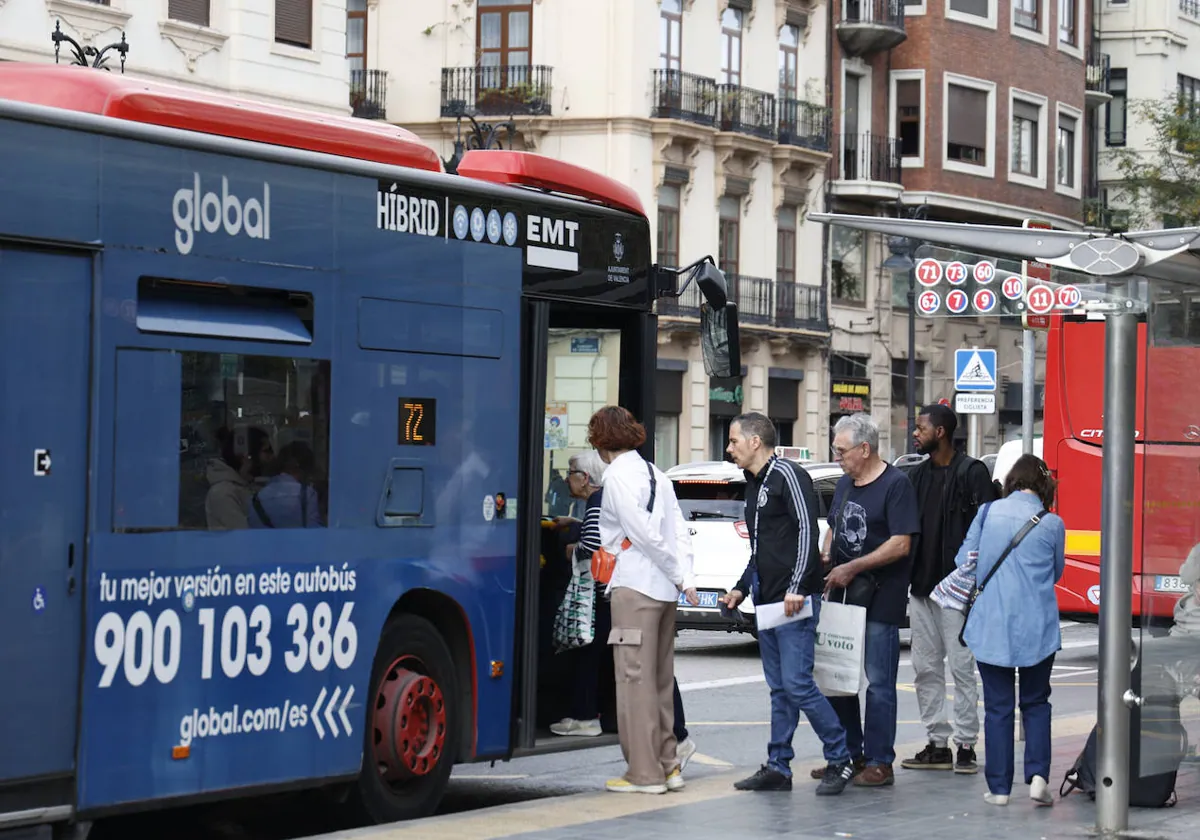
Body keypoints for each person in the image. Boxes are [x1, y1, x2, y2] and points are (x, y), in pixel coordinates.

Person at [721, 413, 855, 796]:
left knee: (797, 684)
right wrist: (740, 589)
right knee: (780, 688)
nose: (729, 448)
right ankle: (778, 766)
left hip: (793, 600)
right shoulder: (754, 484)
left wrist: (797, 585)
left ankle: (840, 757)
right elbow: (761, 549)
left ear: (754, 442)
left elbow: (806, 531)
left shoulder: (788, 476)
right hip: (769, 600)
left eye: (733, 441)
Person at [588, 406, 698, 795]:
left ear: (602, 442)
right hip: (665, 591)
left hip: (635, 587)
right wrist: (683, 578)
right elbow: (678, 531)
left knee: (633, 683)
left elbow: (645, 536)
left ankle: (644, 774)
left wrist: (677, 574)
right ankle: (670, 767)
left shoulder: (615, 477)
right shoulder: (657, 473)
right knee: (660, 681)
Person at [812, 413, 919, 788]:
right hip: (842, 593)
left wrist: (854, 566)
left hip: (880, 596)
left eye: (841, 451)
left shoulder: (896, 484)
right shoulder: (844, 483)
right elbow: (833, 527)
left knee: (878, 682)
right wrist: (827, 555)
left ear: (865, 448)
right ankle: (848, 755)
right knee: (837, 676)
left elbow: (901, 543)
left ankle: (879, 761)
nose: (837, 457)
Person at [957, 454, 1065, 807]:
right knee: (1036, 703)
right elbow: (1056, 572)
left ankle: (1000, 788)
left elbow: (964, 562)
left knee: (998, 707)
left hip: (992, 624)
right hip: (1038, 626)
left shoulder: (987, 513)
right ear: (1044, 485)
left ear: (1011, 481)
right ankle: (1037, 776)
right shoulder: (1052, 523)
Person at [902, 405, 997, 774]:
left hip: (958, 593)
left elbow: (987, 529)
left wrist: (974, 583)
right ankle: (937, 743)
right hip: (922, 589)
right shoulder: (917, 475)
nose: (915, 432)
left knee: (961, 668)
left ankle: (966, 746)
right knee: (925, 668)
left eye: (921, 427)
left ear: (940, 432)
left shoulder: (972, 473)